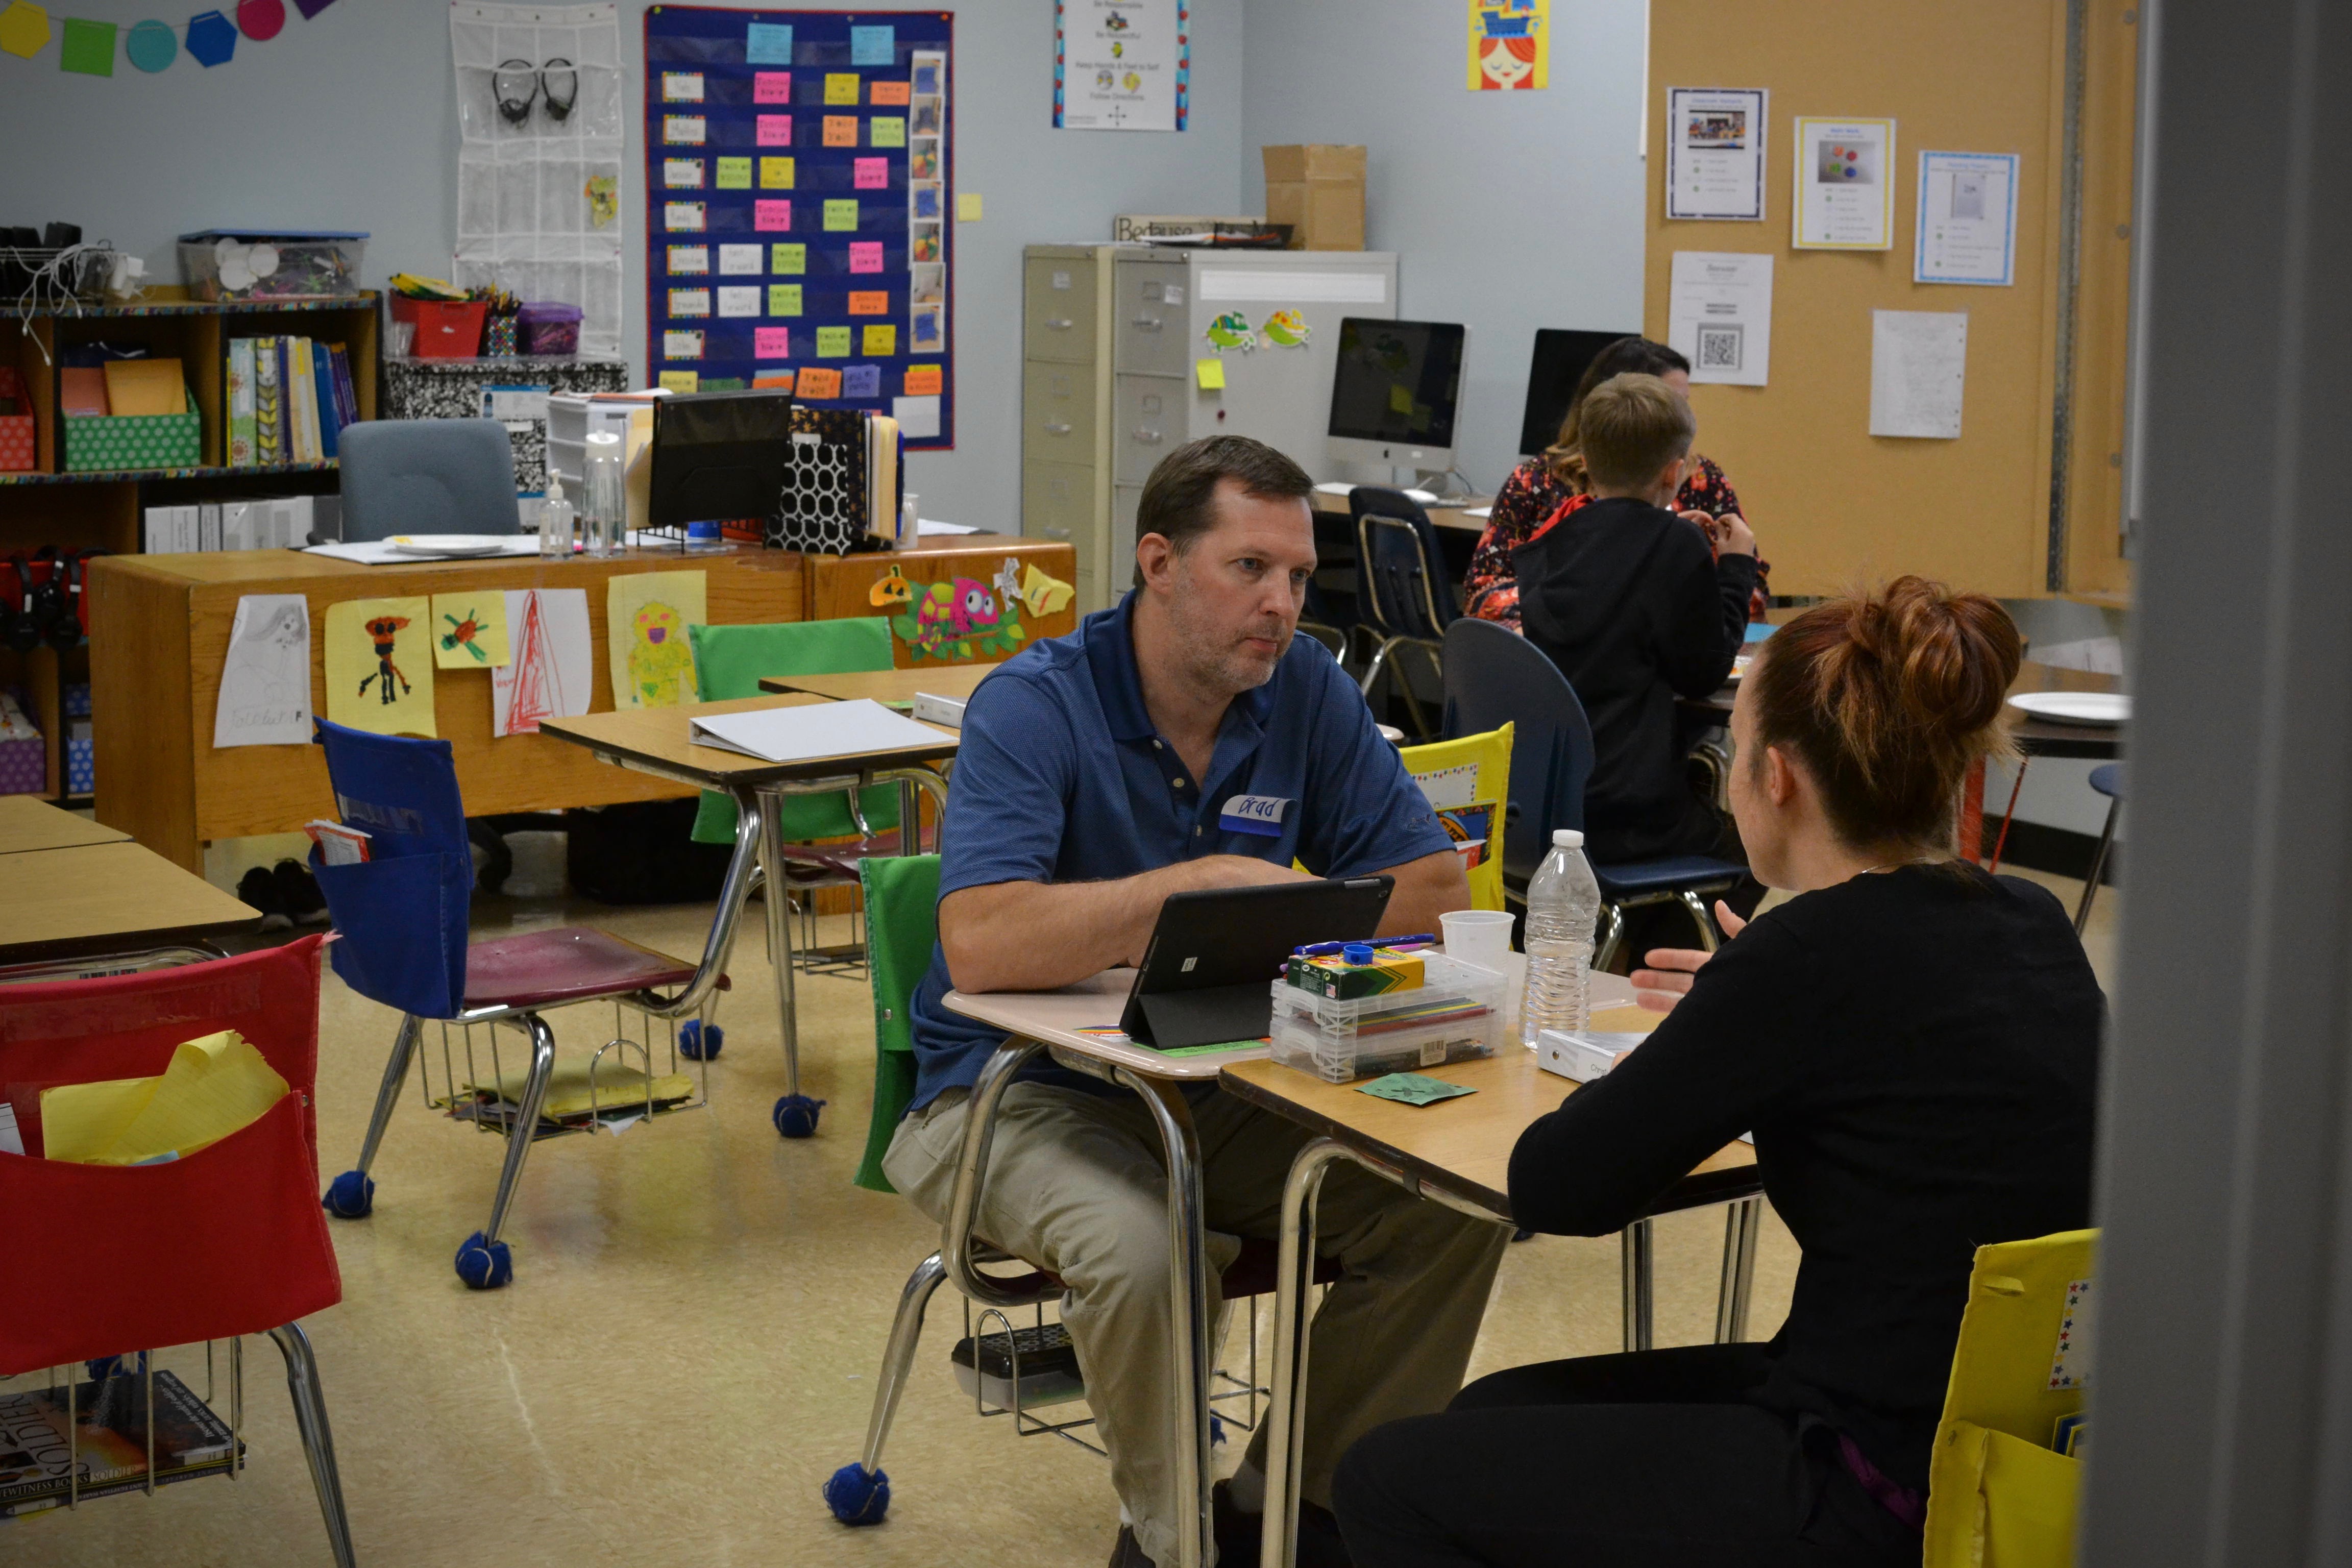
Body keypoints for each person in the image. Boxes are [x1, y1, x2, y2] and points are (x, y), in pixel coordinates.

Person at [1332, 578, 2105, 1568]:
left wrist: (1733, 1014)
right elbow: (1890, 1053)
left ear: (1776, 776)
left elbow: (1559, 1188)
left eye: (1732, 753)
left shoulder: (1803, 961)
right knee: (1498, 1410)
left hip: (1868, 1482)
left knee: (1389, 1481)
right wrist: (1741, 1015)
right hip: (1990, 1440)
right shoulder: (2024, 919)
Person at [883, 435, 1508, 1568]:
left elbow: (1431, 885)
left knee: (1451, 1202)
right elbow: (979, 942)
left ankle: (1298, 1508)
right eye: (1250, 570)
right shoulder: (1034, 706)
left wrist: (1270, 911)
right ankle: (1177, 1546)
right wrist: (1190, 894)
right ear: (1160, 563)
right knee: (1142, 1245)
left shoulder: (1305, 689)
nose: (1281, 605)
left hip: (1214, 1088)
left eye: (1299, 579)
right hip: (1005, 1100)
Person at [1512, 372, 1756, 865]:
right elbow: (1704, 671)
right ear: (1673, 473)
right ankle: (1642, 941)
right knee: (1749, 860)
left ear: (1587, 461)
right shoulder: (1675, 547)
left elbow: (1613, 584)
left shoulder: (1554, 543)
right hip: (1627, 811)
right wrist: (1735, 568)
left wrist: (1668, 537)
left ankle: (1622, 940)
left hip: (1545, 803)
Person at [1461, 334, 1761, 629]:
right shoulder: (1535, 482)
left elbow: (1753, 591)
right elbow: (1484, 591)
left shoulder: (1702, 481)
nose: (1686, 419)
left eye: (1685, 404)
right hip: (1552, 658)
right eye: (1672, 404)